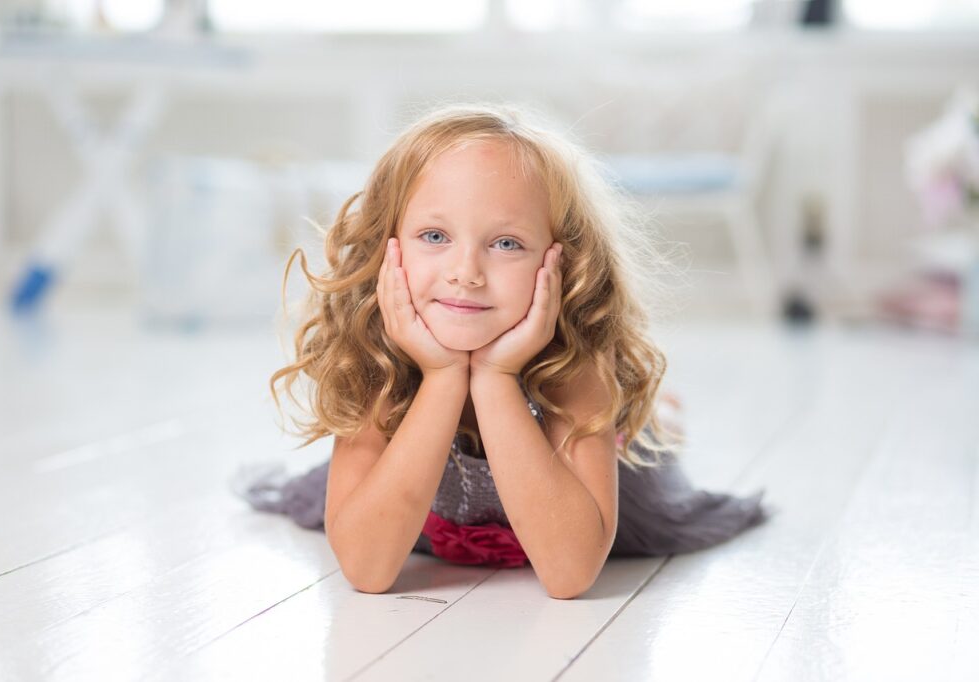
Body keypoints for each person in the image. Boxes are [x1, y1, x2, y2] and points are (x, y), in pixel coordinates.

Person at [231, 103, 771, 599]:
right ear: (385, 247)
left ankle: (657, 418)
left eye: (506, 244)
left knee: (648, 442)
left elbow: (569, 574)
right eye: (434, 236)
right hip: (412, 514)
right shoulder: (376, 358)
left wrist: (495, 377)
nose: (465, 273)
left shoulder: (576, 364)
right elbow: (368, 570)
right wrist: (442, 377)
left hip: (608, 489)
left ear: (562, 262)